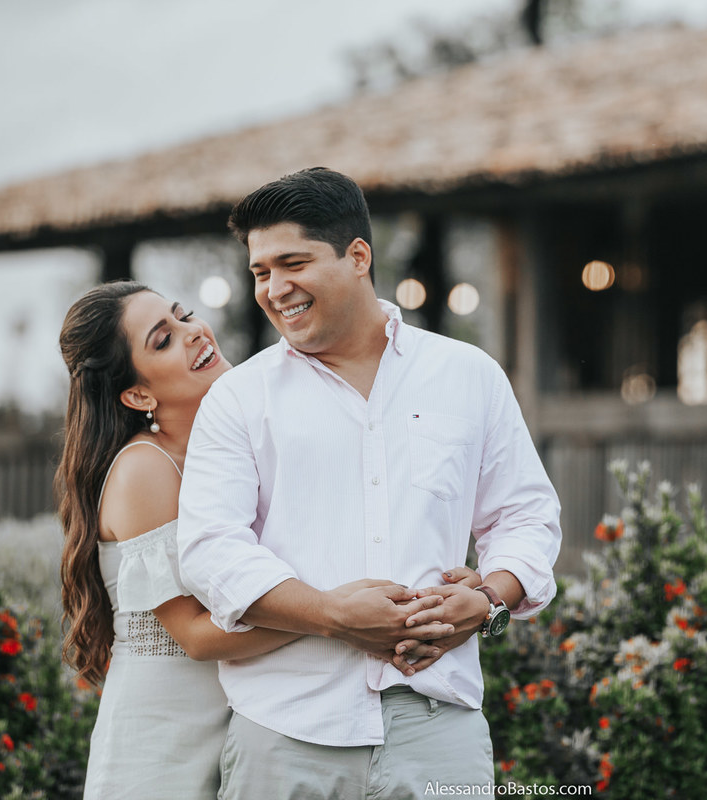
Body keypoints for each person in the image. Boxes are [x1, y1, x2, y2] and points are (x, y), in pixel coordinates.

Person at [176, 166, 563, 799]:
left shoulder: (469, 375)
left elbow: (525, 515)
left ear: (358, 256)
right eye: (260, 272)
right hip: (286, 731)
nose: (274, 289)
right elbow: (210, 548)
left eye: (292, 263)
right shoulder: (239, 398)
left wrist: (490, 600)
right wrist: (329, 613)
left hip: (440, 725)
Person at [55, 281, 480, 799]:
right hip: (166, 735)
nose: (193, 333)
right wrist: (333, 615)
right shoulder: (145, 469)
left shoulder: (247, 445)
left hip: (249, 716)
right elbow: (194, 635)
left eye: (183, 315)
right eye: (163, 339)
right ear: (138, 394)